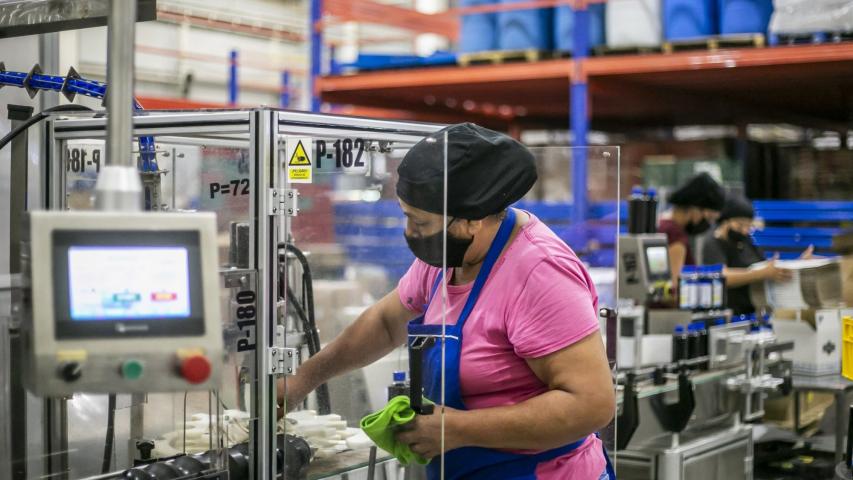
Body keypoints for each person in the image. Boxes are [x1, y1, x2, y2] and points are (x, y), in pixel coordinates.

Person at [279, 123, 616, 479]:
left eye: (419, 222)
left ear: (472, 221)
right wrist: (303, 379)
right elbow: (385, 322)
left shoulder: (539, 273)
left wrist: (455, 429)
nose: (410, 233)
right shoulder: (446, 257)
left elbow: (590, 405)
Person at [701, 193, 812, 316]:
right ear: (726, 221)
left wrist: (798, 263)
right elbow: (721, 276)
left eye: (749, 225)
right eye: (740, 225)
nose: (745, 230)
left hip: (754, 312)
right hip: (730, 314)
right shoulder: (714, 243)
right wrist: (760, 273)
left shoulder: (746, 241)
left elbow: (765, 267)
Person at [657, 172, 726, 282]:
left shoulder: (661, 222)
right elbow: (674, 287)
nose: (708, 223)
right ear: (695, 207)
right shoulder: (675, 234)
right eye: (708, 217)